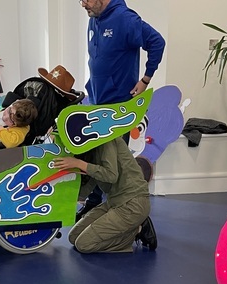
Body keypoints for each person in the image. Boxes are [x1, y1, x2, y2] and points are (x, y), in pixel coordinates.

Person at [77, 0, 165, 229]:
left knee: (115, 166)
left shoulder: (125, 19)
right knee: (98, 158)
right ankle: (94, 204)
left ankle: (140, 222)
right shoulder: (94, 18)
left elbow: (157, 42)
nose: (83, 4)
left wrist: (145, 79)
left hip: (118, 108)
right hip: (98, 104)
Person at [53, 138, 157, 253]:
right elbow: (87, 188)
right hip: (114, 202)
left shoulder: (107, 141)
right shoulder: (91, 147)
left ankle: (137, 230)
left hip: (132, 203)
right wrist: (59, 196)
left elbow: (111, 175)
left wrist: (78, 163)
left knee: (83, 245)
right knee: (73, 237)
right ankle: (131, 225)